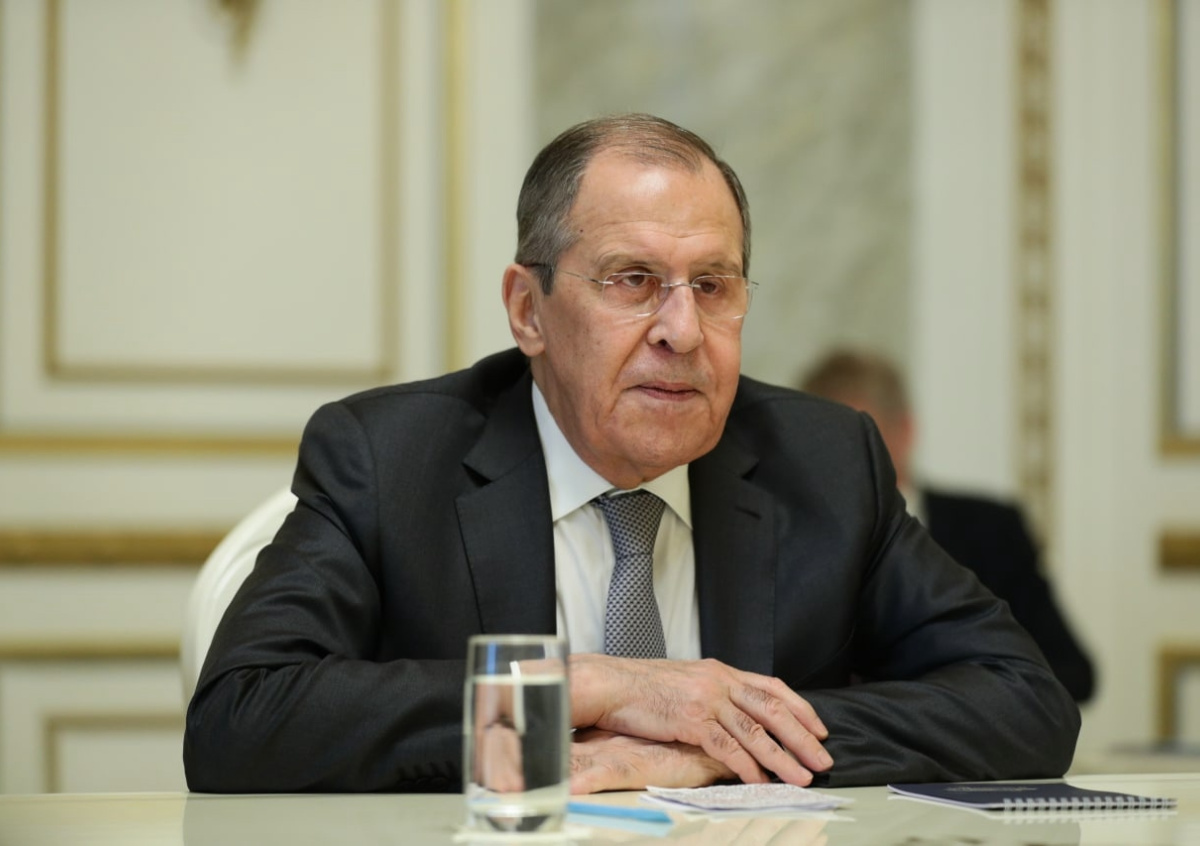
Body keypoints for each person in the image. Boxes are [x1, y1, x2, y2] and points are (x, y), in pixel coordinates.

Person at [184, 114, 1079, 794]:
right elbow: (240, 718)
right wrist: (591, 690)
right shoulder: (390, 458)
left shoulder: (826, 462)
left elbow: (1025, 701)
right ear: (528, 311)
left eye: (713, 285)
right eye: (633, 281)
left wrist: (717, 745)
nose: (682, 331)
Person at [799, 349, 1096, 702]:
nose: (839, 460)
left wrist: (948, 706)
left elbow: (1070, 672)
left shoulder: (991, 531)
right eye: (822, 443)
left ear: (905, 431)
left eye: (856, 439)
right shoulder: (794, 537)